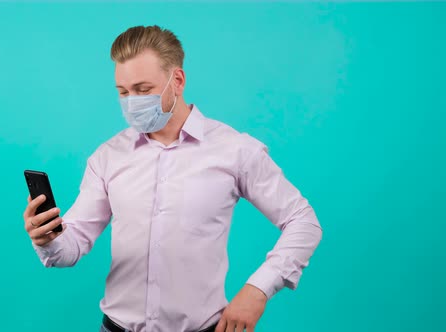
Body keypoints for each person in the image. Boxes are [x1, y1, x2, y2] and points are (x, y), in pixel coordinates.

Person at [23, 25, 323, 332]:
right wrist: (48, 238)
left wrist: (258, 290)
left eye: (142, 89)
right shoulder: (108, 156)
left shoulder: (234, 150)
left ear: (177, 81)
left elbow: (303, 221)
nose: (131, 101)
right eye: (123, 92)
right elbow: (70, 249)